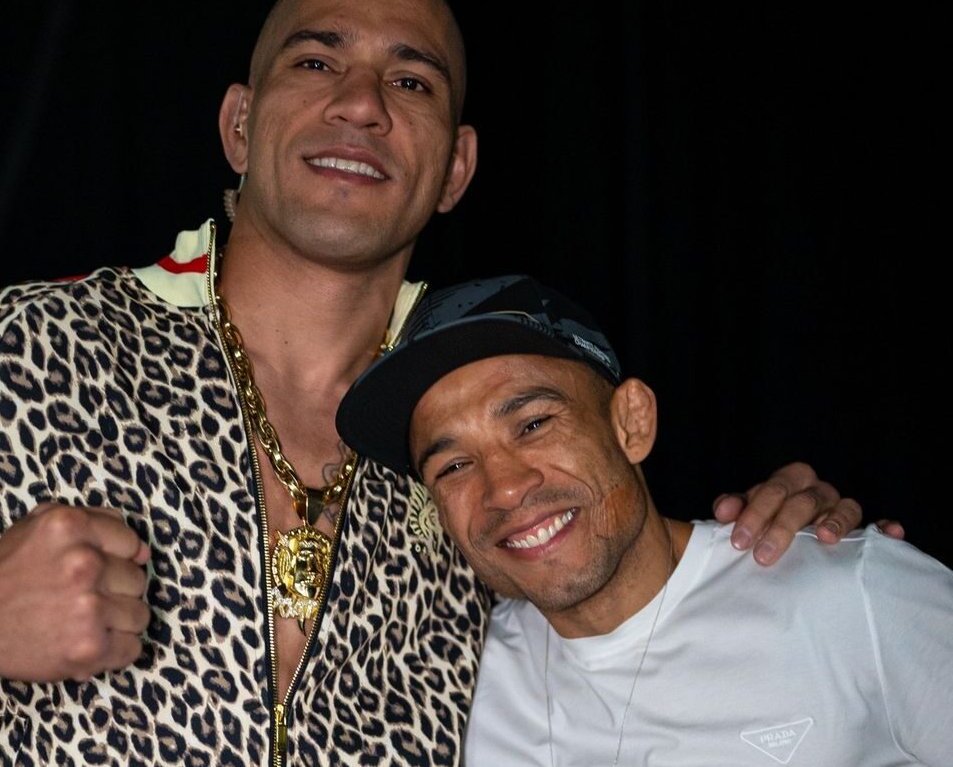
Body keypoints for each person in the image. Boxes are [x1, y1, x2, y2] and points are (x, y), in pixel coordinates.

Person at [0, 0, 881, 766]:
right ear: (237, 124)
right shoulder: (32, 351)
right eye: (316, 62)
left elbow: (658, 634)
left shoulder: (497, 422)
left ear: (455, 167)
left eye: (412, 78)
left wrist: (796, 558)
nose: (362, 103)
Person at [336, 274, 951, 765]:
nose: (504, 489)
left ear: (631, 422)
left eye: (533, 425)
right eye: (455, 467)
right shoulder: (456, 676)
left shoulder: (851, 595)